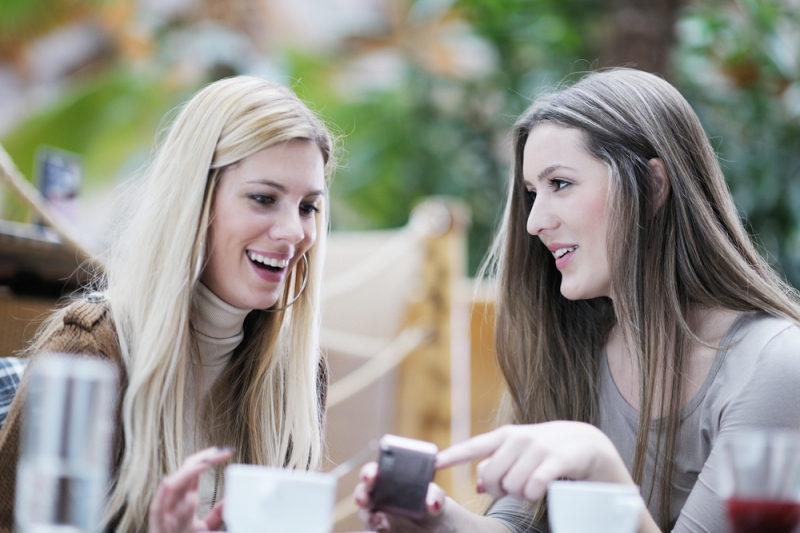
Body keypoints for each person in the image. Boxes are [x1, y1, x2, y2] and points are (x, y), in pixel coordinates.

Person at [355, 68, 800, 532]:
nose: (534, 221)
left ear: (652, 187)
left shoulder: (775, 366)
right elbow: (519, 525)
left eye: (560, 185)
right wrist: (435, 520)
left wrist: (600, 469)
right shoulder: (572, 343)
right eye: (532, 194)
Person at [0, 75, 336, 533]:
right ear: (194, 200)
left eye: (307, 207)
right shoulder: (91, 352)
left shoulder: (297, 378)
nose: (294, 232)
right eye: (264, 199)